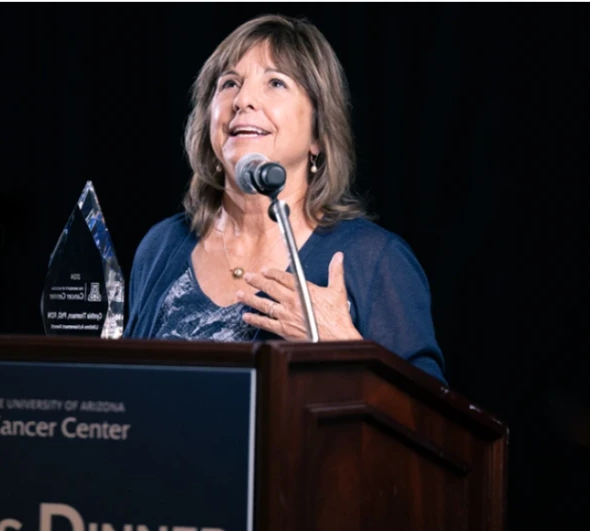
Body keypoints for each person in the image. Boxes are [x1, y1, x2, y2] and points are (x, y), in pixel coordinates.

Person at [124, 14, 446, 383]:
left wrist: (344, 347)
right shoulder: (162, 246)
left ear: (319, 135)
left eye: (276, 82)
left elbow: (429, 430)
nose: (243, 100)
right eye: (229, 83)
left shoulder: (375, 260)